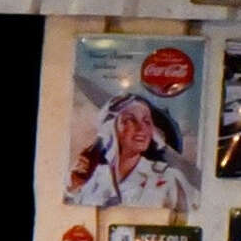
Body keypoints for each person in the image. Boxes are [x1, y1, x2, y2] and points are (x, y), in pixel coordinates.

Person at [66, 88, 199, 209]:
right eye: (130, 120)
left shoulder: (168, 178)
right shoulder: (94, 179)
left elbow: (189, 219)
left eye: (147, 122)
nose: (142, 128)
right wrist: (73, 186)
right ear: (110, 128)